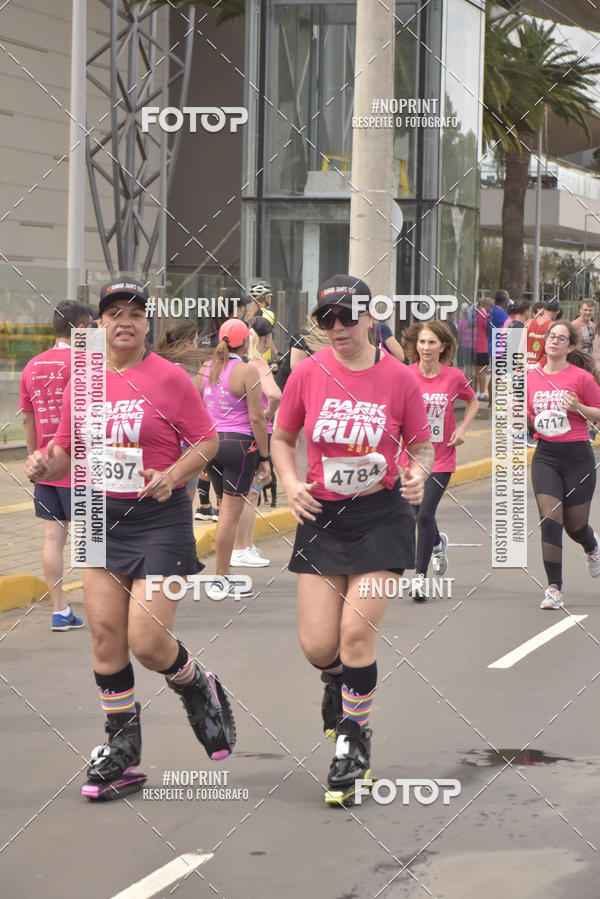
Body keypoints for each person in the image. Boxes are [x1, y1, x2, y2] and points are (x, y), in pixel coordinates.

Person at [25, 279, 235, 801]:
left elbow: (208, 439)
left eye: (135, 313)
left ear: (147, 324)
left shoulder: (168, 379)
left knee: (145, 639)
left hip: (160, 520)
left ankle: (195, 684)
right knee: (104, 637)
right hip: (98, 514)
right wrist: (46, 460)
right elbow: (64, 447)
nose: (124, 321)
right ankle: (121, 751)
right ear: (99, 323)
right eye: (114, 312)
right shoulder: (85, 379)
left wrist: (173, 474)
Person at [271, 275, 433, 806]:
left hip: (382, 515)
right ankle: (337, 685)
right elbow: (281, 436)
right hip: (322, 515)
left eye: (346, 317)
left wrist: (415, 473)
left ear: (370, 317)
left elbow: (422, 447)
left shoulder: (400, 378)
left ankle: (353, 741)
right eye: (326, 320)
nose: (337, 328)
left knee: (355, 634)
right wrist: (291, 484)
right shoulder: (309, 372)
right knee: (319, 645)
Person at [19, 299, 92, 631]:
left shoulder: (31, 366)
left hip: (47, 465)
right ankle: (99, 603)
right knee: (93, 536)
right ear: (79, 329)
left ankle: (60, 610)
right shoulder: (89, 362)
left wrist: (35, 459)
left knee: (53, 538)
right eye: (90, 328)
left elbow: (28, 421)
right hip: (85, 464)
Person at [400, 321, 478, 599]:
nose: (426, 347)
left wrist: (461, 428)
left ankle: (419, 578)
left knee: (426, 515)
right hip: (411, 457)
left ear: (443, 346)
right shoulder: (405, 374)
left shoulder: (453, 376)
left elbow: (473, 401)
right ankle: (436, 543)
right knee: (416, 514)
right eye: (422, 342)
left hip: (441, 456)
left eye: (432, 342)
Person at [527, 320, 600, 610]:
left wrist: (577, 408)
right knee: (550, 518)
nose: (554, 341)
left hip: (578, 457)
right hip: (546, 455)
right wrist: (523, 416)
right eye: (551, 336)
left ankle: (592, 546)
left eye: (561, 338)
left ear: (570, 346)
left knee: (575, 525)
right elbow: (531, 413)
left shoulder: (581, 377)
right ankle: (554, 588)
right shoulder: (532, 376)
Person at [198, 318, 271, 591]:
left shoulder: (205, 368)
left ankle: (222, 573)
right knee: (230, 513)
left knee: (222, 511)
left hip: (211, 444)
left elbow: (197, 407)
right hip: (240, 445)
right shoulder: (246, 370)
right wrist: (264, 458)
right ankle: (221, 576)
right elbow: (257, 419)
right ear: (245, 342)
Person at [230, 316, 281, 566]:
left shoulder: (236, 364)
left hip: (233, 431)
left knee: (243, 492)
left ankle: (245, 545)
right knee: (251, 492)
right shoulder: (258, 364)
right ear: (266, 338)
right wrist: (269, 412)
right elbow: (275, 394)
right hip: (256, 431)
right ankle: (243, 548)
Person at [247, 280, 278, 359]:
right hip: (263, 357)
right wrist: (276, 353)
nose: (271, 297)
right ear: (265, 297)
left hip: (250, 356)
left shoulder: (248, 314)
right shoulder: (268, 314)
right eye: (270, 295)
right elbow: (268, 338)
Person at [526, 297, 560, 368]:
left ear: (543, 309)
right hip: (543, 365)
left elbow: (521, 345)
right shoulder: (553, 326)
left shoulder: (529, 322)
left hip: (526, 364)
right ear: (557, 312)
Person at [474, 297, 491, 399]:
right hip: (483, 346)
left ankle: (476, 391)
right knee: (483, 371)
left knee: (477, 371)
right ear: (486, 305)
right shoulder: (484, 315)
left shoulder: (476, 314)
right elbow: (487, 327)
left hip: (476, 346)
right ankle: (482, 392)